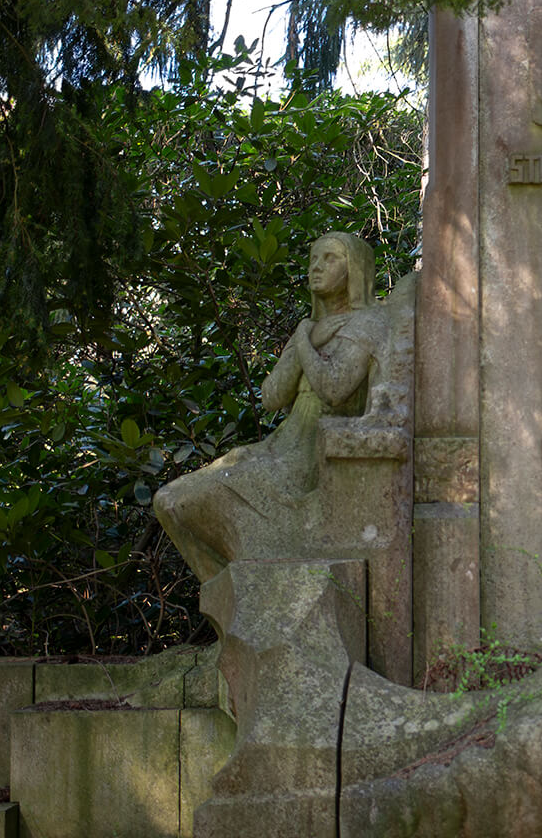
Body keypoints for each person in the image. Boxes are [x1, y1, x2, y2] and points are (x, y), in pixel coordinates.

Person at [154, 232, 380, 582]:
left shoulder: (369, 324)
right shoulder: (312, 327)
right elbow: (272, 397)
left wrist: (304, 341)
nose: (316, 268)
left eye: (329, 258)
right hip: (279, 445)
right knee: (168, 502)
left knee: (200, 498)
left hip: (315, 455)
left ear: (356, 269)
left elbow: (334, 389)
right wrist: (308, 338)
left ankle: (251, 593)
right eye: (313, 259)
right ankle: (229, 599)